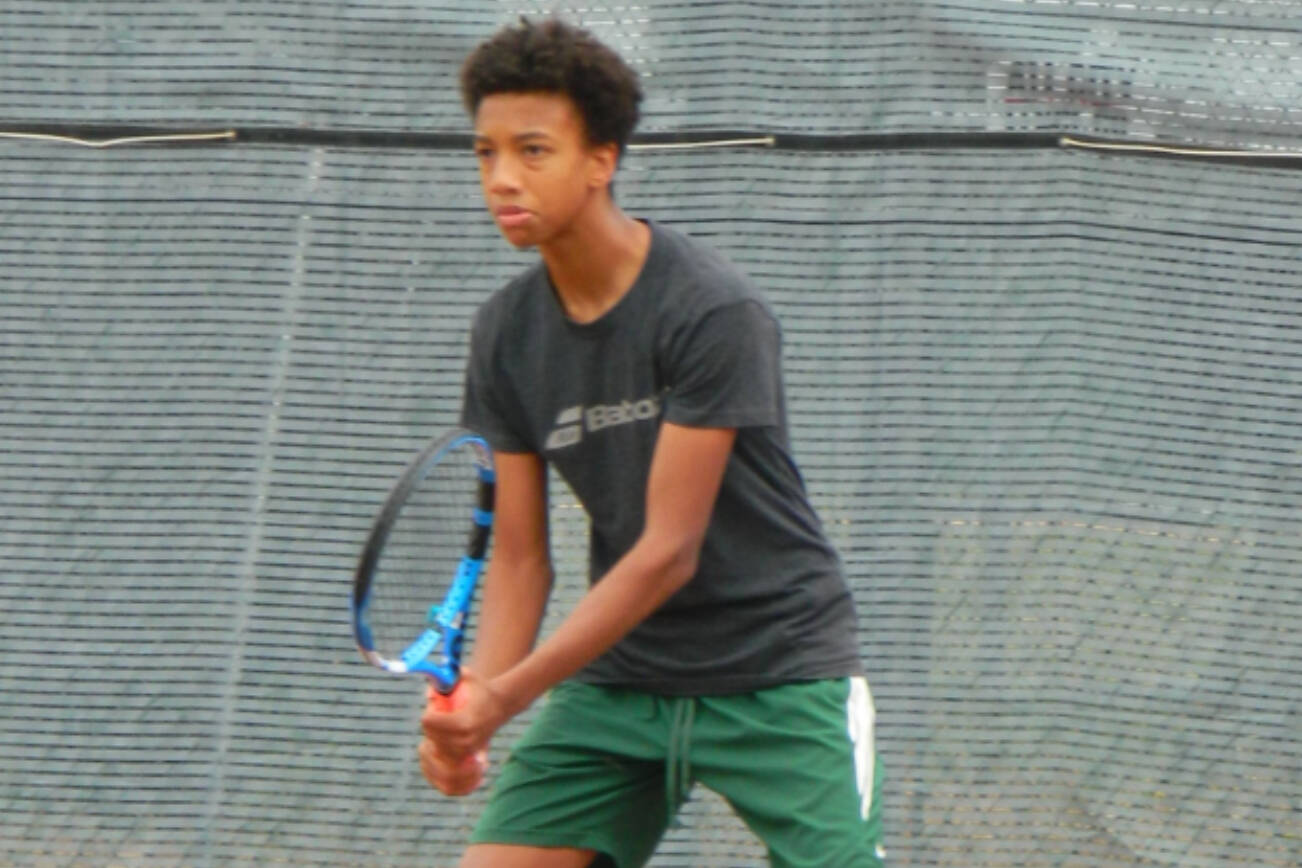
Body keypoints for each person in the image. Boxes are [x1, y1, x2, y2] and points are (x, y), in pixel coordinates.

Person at [418, 17, 886, 868]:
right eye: (485, 153)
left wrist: (507, 694)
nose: (500, 178)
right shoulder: (504, 335)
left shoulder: (711, 311)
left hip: (777, 671)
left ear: (602, 159)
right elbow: (522, 560)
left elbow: (668, 552)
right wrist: (473, 707)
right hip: (623, 681)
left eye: (531, 151)